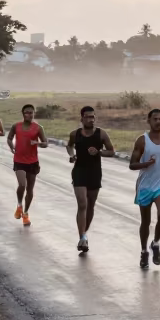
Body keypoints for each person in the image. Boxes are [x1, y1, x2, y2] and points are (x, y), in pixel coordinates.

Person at [129, 108, 160, 269]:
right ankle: (143, 252)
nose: (159, 122)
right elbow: (132, 165)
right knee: (146, 222)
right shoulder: (142, 141)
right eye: (155, 119)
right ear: (148, 121)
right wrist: (145, 164)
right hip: (145, 186)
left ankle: (155, 244)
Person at [66, 106, 115, 253]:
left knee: (91, 206)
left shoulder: (101, 134)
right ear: (81, 119)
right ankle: (82, 236)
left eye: (93, 117)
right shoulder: (75, 134)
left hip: (94, 173)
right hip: (79, 171)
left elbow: (112, 151)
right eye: (88, 117)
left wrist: (99, 152)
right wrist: (72, 155)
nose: (91, 120)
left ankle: (84, 235)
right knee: (82, 204)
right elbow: (69, 146)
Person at [7, 104, 47, 226]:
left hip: (33, 162)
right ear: (23, 114)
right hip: (19, 160)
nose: (29, 114)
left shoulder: (38, 128)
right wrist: (11, 146)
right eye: (27, 112)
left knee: (30, 189)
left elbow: (45, 143)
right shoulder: (16, 126)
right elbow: (9, 138)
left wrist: (37, 143)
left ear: (34, 113)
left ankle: (26, 213)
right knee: (22, 184)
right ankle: (19, 205)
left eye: (31, 112)